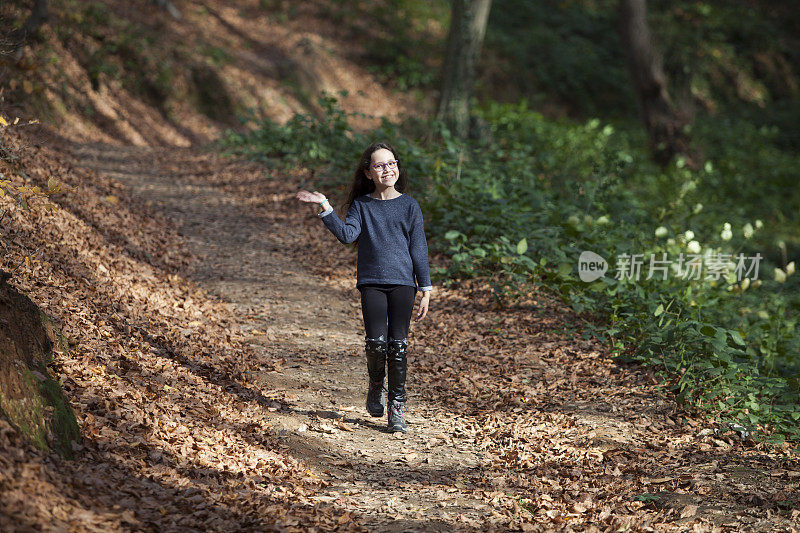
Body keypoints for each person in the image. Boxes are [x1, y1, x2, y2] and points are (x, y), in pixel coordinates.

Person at [295, 142, 432, 433]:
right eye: (380, 165)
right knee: (376, 344)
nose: (387, 169)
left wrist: (427, 289)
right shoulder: (362, 205)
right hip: (371, 282)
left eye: (392, 163)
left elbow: (418, 249)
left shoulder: (409, 206)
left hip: (404, 283)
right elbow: (347, 235)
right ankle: (375, 384)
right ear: (368, 173)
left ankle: (397, 407)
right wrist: (325, 207)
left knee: (398, 346)